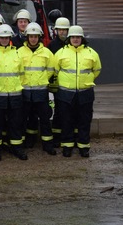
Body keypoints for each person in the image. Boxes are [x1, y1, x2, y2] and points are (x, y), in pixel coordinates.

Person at [54, 25, 101, 158]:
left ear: (82, 38)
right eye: (73, 37)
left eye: (78, 37)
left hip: (85, 92)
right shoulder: (61, 53)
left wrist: (85, 81)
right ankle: (67, 146)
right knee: (66, 120)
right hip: (65, 93)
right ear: (69, 38)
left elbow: (97, 70)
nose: (75, 39)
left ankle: (83, 147)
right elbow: (55, 71)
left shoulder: (92, 53)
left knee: (84, 121)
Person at [17, 22, 56, 155]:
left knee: (44, 119)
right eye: (30, 36)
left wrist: (42, 79)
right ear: (26, 37)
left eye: (35, 36)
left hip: (41, 90)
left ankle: (47, 144)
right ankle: (25, 142)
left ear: (39, 37)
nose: (33, 38)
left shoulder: (47, 53)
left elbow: (51, 69)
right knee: (24, 119)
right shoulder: (19, 52)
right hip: (25, 91)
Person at [0, 24, 26, 161]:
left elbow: (22, 74)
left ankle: (16, 147)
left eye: (7, 37)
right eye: (2, 37)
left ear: (10, 38)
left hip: (15, 94)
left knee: (15, 123)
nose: (4, 39)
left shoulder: (17, 53)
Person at [47, 16, 71, 146]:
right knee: (58, 111)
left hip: (70, 84)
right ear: (56, 31)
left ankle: (69, 135)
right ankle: (56, 136)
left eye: (64, 30)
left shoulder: (72, 43)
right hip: (57, 84)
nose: (62, 32)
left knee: (70, 111)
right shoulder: (52, 45)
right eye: (60, 30)